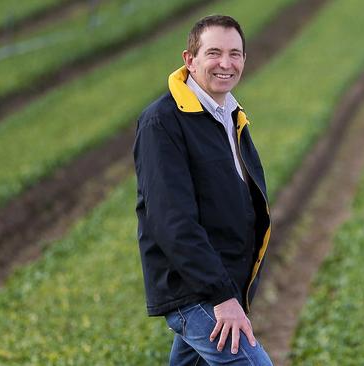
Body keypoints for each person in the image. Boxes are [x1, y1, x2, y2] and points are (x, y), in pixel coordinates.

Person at [132, 15, 273, 366]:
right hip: (197, 291)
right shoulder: (163, 122)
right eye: (214, 53)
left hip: (223, 283)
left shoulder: (229, 114)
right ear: (189, 60)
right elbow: (172, 219)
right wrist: (221, 296)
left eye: (235, 53)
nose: (226, 63)